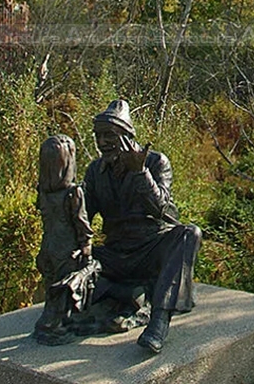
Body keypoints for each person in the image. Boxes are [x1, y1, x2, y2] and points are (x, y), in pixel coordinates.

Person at [83, 100, 202, 353]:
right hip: (116, 253)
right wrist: (61, 202)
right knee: (70, 253)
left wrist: (140, 174)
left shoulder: (156, 163)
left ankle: (158, 322)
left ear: (126, 136)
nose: (102, 142)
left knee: (189, 234)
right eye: (98, 136)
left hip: (150, 249)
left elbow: (163, 211)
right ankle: (129, 294)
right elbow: (84, 218)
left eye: (109, 135)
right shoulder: (95, 171)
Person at [34, 134, 100, 345]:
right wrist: (86, 244)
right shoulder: (73, 193)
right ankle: (58, 324)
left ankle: (48, 320)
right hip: (67, 247)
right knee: (65, 286)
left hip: (48, 245)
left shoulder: (43, 192)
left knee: (51, 283)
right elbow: (81, 222)